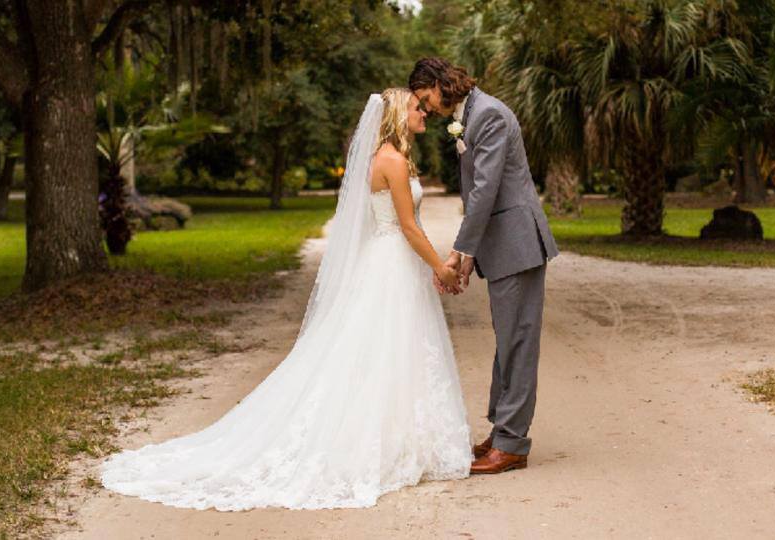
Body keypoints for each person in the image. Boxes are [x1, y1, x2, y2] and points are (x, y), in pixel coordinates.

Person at [98, 88, 472, 510]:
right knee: (385, 350)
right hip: (392, 262)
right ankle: (384, 444)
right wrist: (440, 268)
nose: (423, 111)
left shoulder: (382, 158)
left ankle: (400, 439)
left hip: (389, 262)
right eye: (416, 107)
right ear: (397, 116)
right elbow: (408, 226)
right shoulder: (393, 161)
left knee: (384, 352)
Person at [409, 57, 560, 475]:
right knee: (507, 340)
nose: (428, 108)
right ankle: (502, 430)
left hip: (517, 243)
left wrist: (461, 252)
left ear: (440, 85)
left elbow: (485, 191)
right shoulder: (470, 115)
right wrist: (465, 251)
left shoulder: (488, 115)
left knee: (519, 343)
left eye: (426, 99)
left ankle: (512, 445)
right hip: (503, 246)